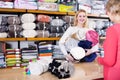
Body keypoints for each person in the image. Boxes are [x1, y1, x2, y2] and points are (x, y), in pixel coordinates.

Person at [97, 0, 120, 80]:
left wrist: (99, 60)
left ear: (110, 11)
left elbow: (109, 61)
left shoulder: (112, 30)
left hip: (114, 74)